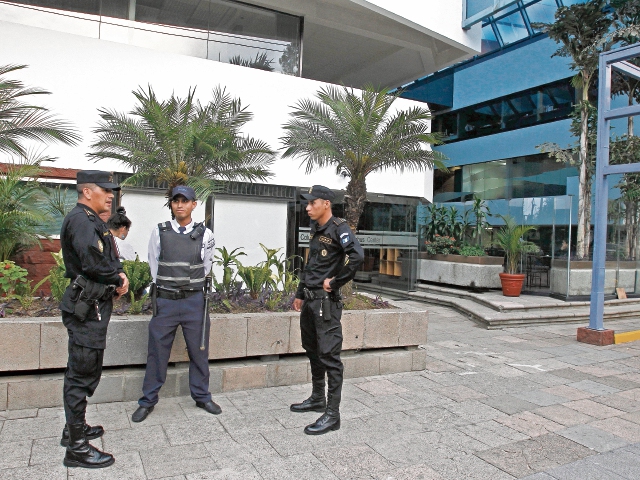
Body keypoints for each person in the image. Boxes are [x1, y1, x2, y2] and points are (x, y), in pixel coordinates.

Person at [131, 185, 220, 423]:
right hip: (166, 302)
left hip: (194, 302)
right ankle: (148, 401)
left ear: (194, 204)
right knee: (157, 353)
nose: (179, 205)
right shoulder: (159, 231)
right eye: (175, 201)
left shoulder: (206, 234)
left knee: (199, 352)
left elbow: (206, 265)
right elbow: (153, 263)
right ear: (171, 205)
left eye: (185, 201)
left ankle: (202, 396)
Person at [59, 170, 129, 468]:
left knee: (85, 370)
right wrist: (117, 277)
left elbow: (107, 256)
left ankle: (74, 428)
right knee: (82, 373)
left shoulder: (92, 221)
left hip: (93, 305)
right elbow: (92, 262)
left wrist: (118, 274)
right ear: (88, 192)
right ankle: (76, 447)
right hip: (87, 308)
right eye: (105, 190)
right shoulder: (81, 221)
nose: (110, 195)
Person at [291, 185, 364, 435]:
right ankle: (317, 398)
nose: (308, 207)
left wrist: (335, 282)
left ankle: (333, 414)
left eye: (312, 203)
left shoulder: (339, 228)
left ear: (326, 204)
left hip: (325, 304)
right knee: (313, 351)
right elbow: (312, 264)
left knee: (330, 358)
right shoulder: (317, 229)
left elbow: (357, 257)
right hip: (310, 302)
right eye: (307, 203)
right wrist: (300, 293)